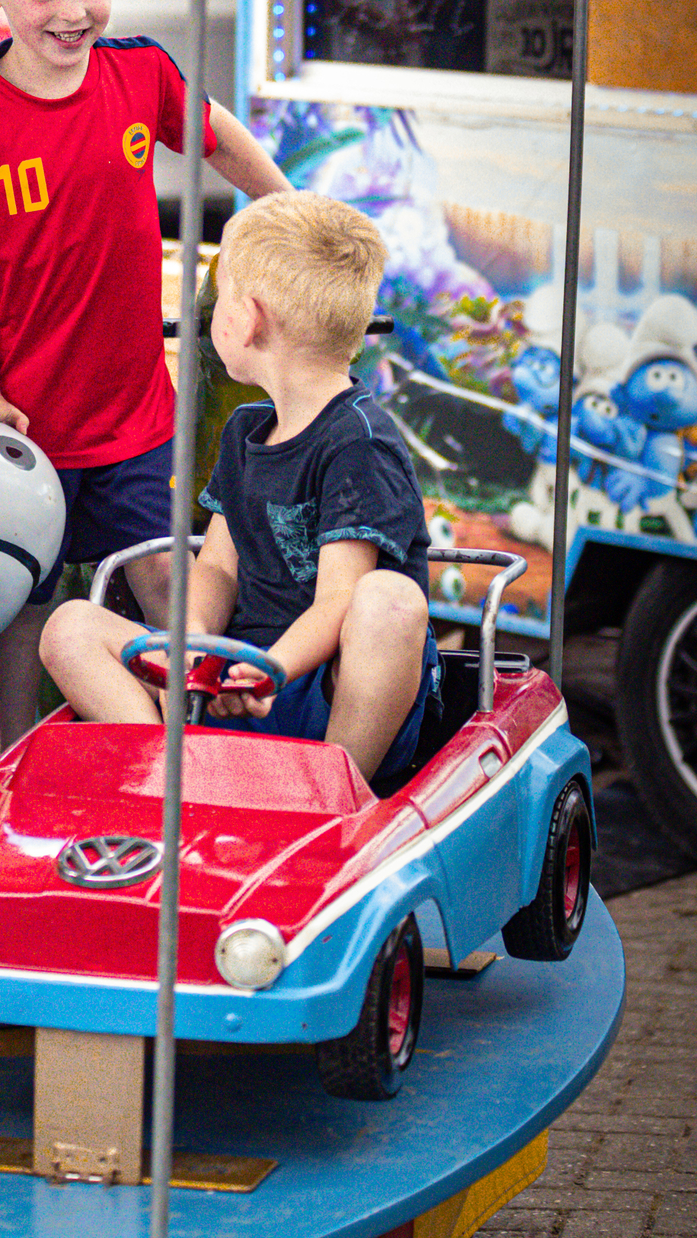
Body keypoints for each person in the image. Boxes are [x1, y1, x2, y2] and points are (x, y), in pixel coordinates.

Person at [0, 0, 291, 745]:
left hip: (138, 421)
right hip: (27, 439)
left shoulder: (140, 74)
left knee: (177, 603)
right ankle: (4, 788)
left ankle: (200, 771)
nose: (71, 12)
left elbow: (222, 141)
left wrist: (289, 218)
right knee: (14, 618)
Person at [40, 191, 438, 791]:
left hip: (328, 685)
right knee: (70, 627)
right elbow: (220, 569)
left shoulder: (360, 441)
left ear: (243, 318)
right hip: (236, 676)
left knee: (388, 599)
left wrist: (269, 672)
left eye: (219, 296)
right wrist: (194, 651)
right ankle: (170, 768)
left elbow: (338, 601)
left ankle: (335, 788)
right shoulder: (246, 430)